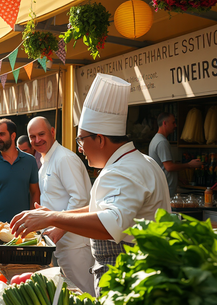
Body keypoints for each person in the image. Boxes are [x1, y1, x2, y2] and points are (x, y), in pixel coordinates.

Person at [10, 73, 171, 296]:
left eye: (81, 140)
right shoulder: (140, 162)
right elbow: (102, 207)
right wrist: (55, 214)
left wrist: (53, 218)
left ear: (101, 139)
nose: (80, 148)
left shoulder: (123, 170)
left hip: (131, 280)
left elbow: (110, 223)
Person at [27, 117, 95, 295]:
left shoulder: (64, 158)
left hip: (75, 243)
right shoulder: (45, 161)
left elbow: (80, 198)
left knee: (85, 293)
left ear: (52, 132)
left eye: (41, 134)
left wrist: (59, 227)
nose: (37, 140)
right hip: (59, 242)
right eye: (32, 136)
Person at [0, 119, 40, 227]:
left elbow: (35, 192)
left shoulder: (30, 161)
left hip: (22, 226)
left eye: (1, 134)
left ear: (13, 136)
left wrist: (31, 218)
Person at [149, 112, 202, 197]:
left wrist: (177, 178)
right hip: (164, 190)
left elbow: (162, 167)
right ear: (164, 123)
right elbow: (169, 167)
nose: (175, 126)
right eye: (173, 122)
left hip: (162, 189)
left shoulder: (156, 139)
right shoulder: (162, 142)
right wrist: (189, 164)